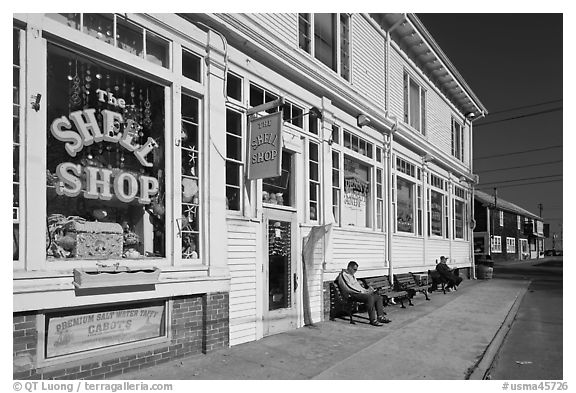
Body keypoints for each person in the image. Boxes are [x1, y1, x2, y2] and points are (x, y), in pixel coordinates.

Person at [337, 261, 391, 326]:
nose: (355, 271)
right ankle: (373, 320)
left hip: (358, 293)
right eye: (354, 269)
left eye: (356, 270)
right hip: (351, 295)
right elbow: (349, 288)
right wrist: (363, 292)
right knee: (369, 297)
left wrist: (366, 290)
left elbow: (358, 286)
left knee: (378, 297)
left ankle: (380, 317)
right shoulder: (343, 275)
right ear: (349, 267)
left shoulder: (351, 275)